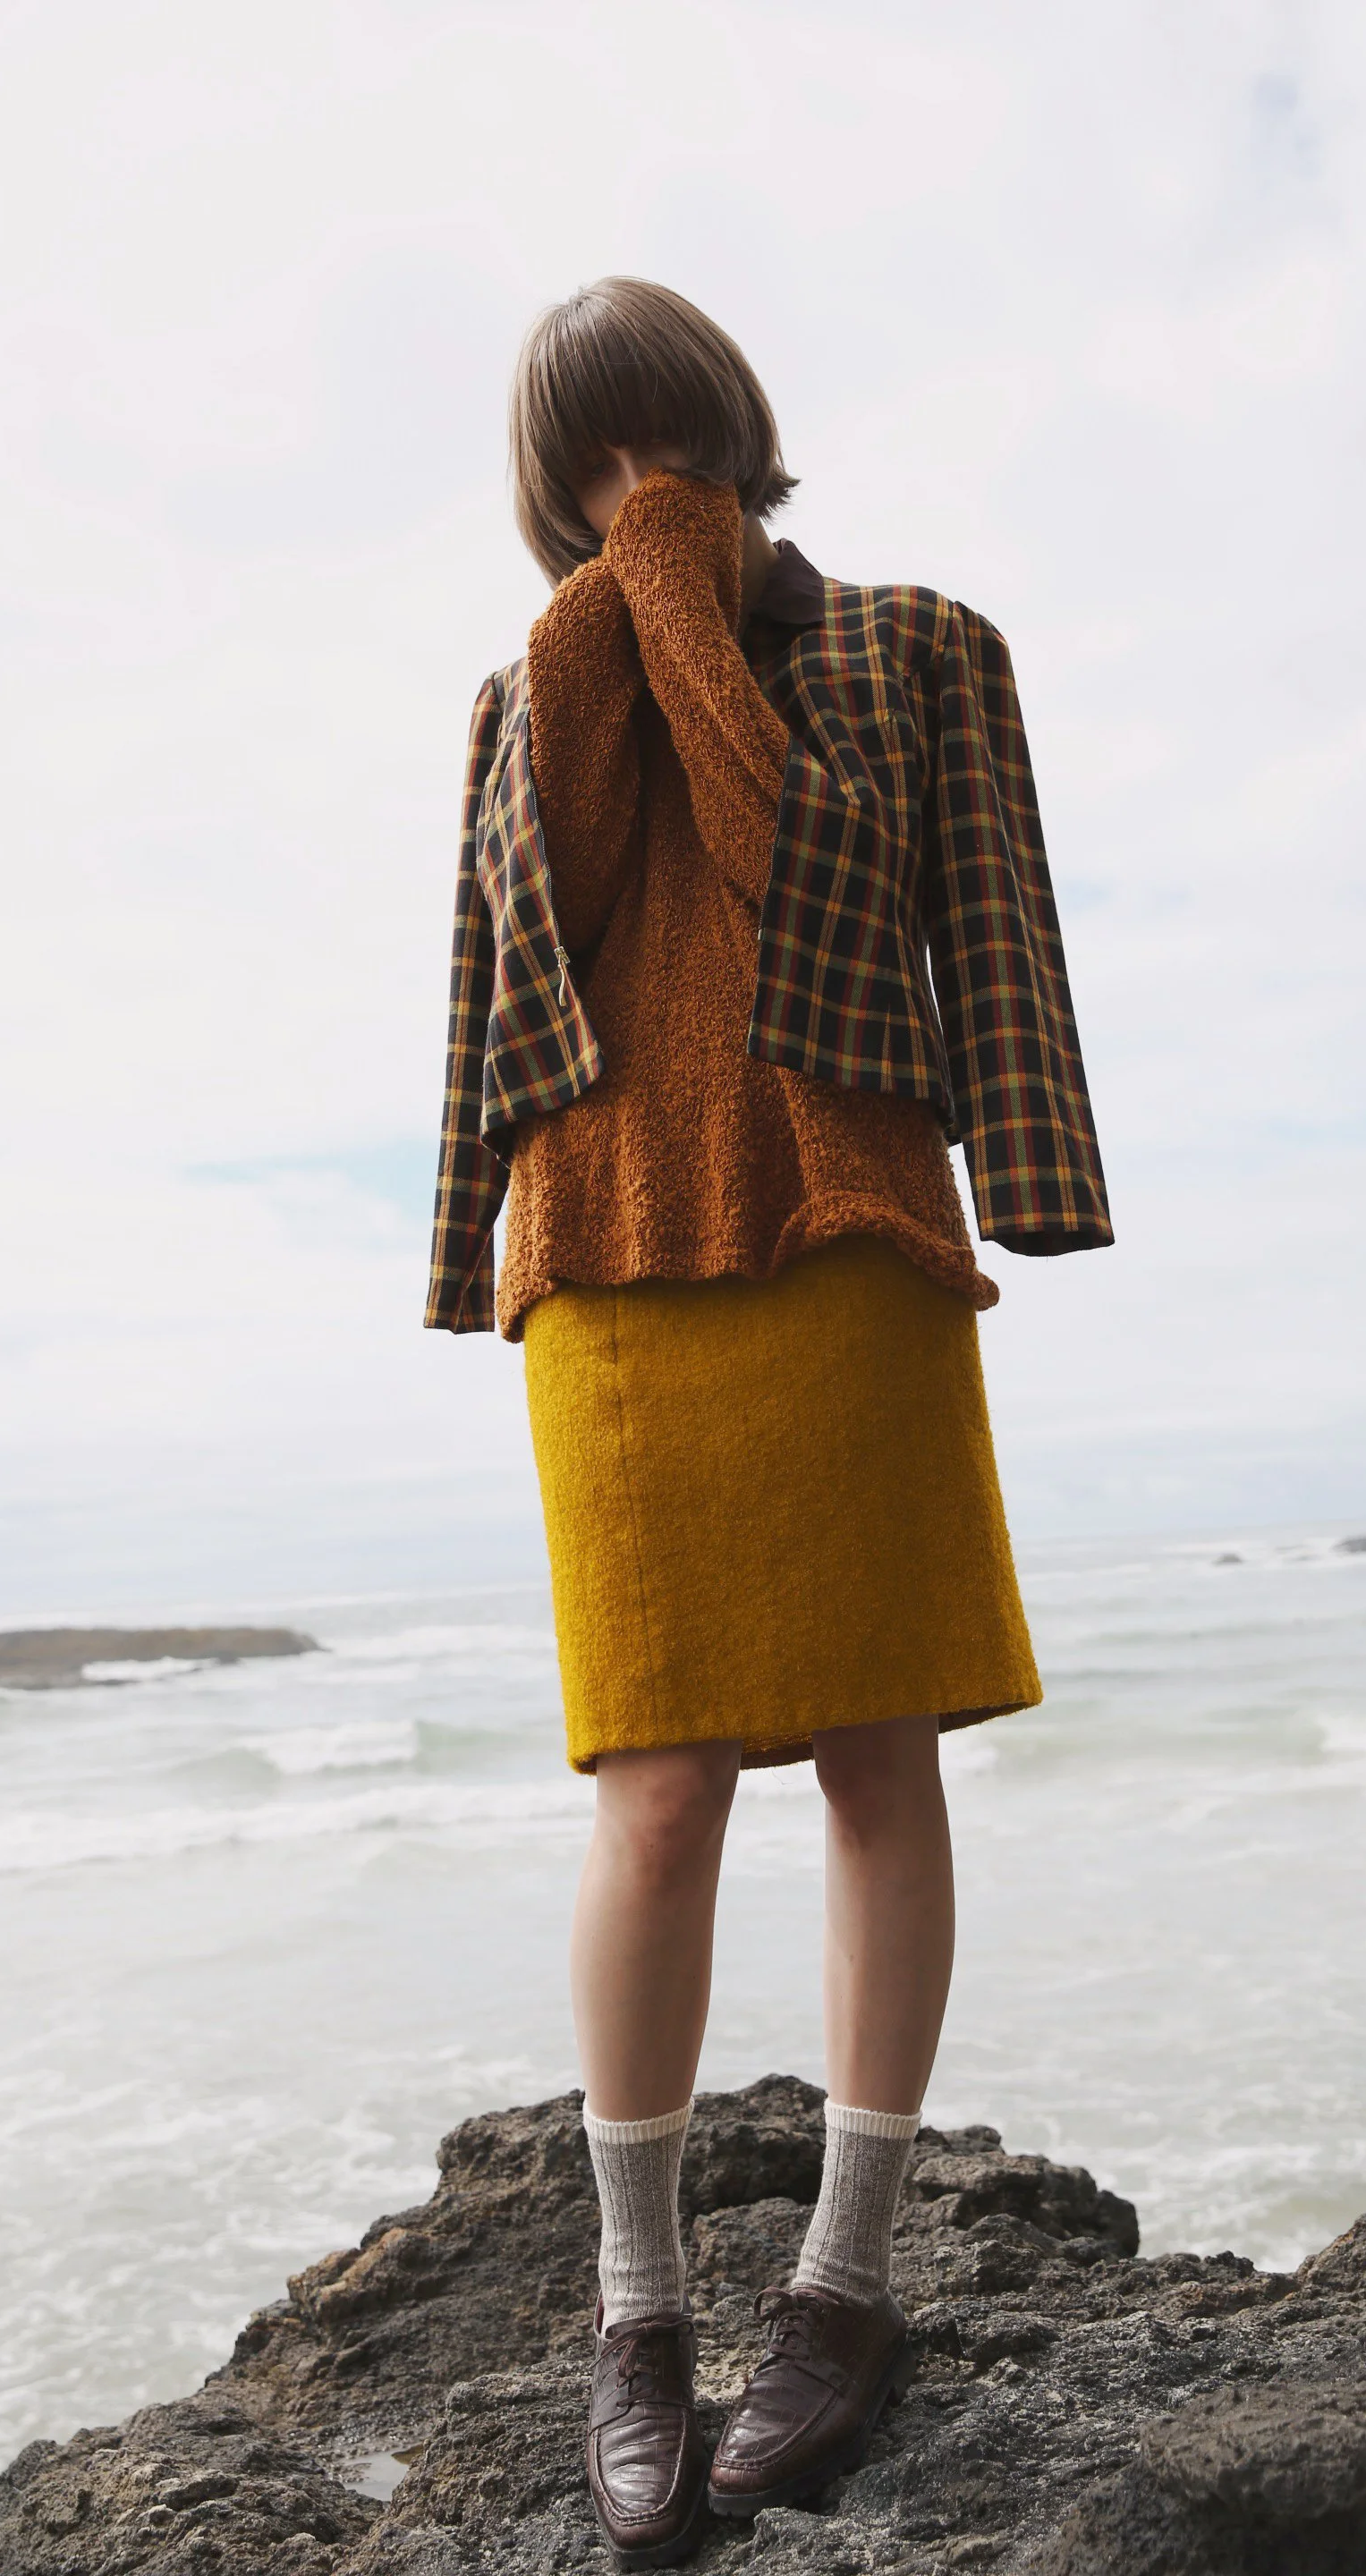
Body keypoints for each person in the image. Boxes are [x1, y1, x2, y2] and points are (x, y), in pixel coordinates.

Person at [426, 275, 1110, 2569]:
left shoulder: (921, 648)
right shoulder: (527, 702)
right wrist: (618, 622)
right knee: (655, 1795)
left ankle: (845, 2281)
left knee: (877, 1761)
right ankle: (635, 2320)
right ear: (553, 489)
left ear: (731, 430)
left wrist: (686, 598)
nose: (639, 485)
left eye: (669, 439)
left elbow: (849, 882)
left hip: (846, 1239)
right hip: (612, 1263)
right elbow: (526, 980)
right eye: (598, 459)